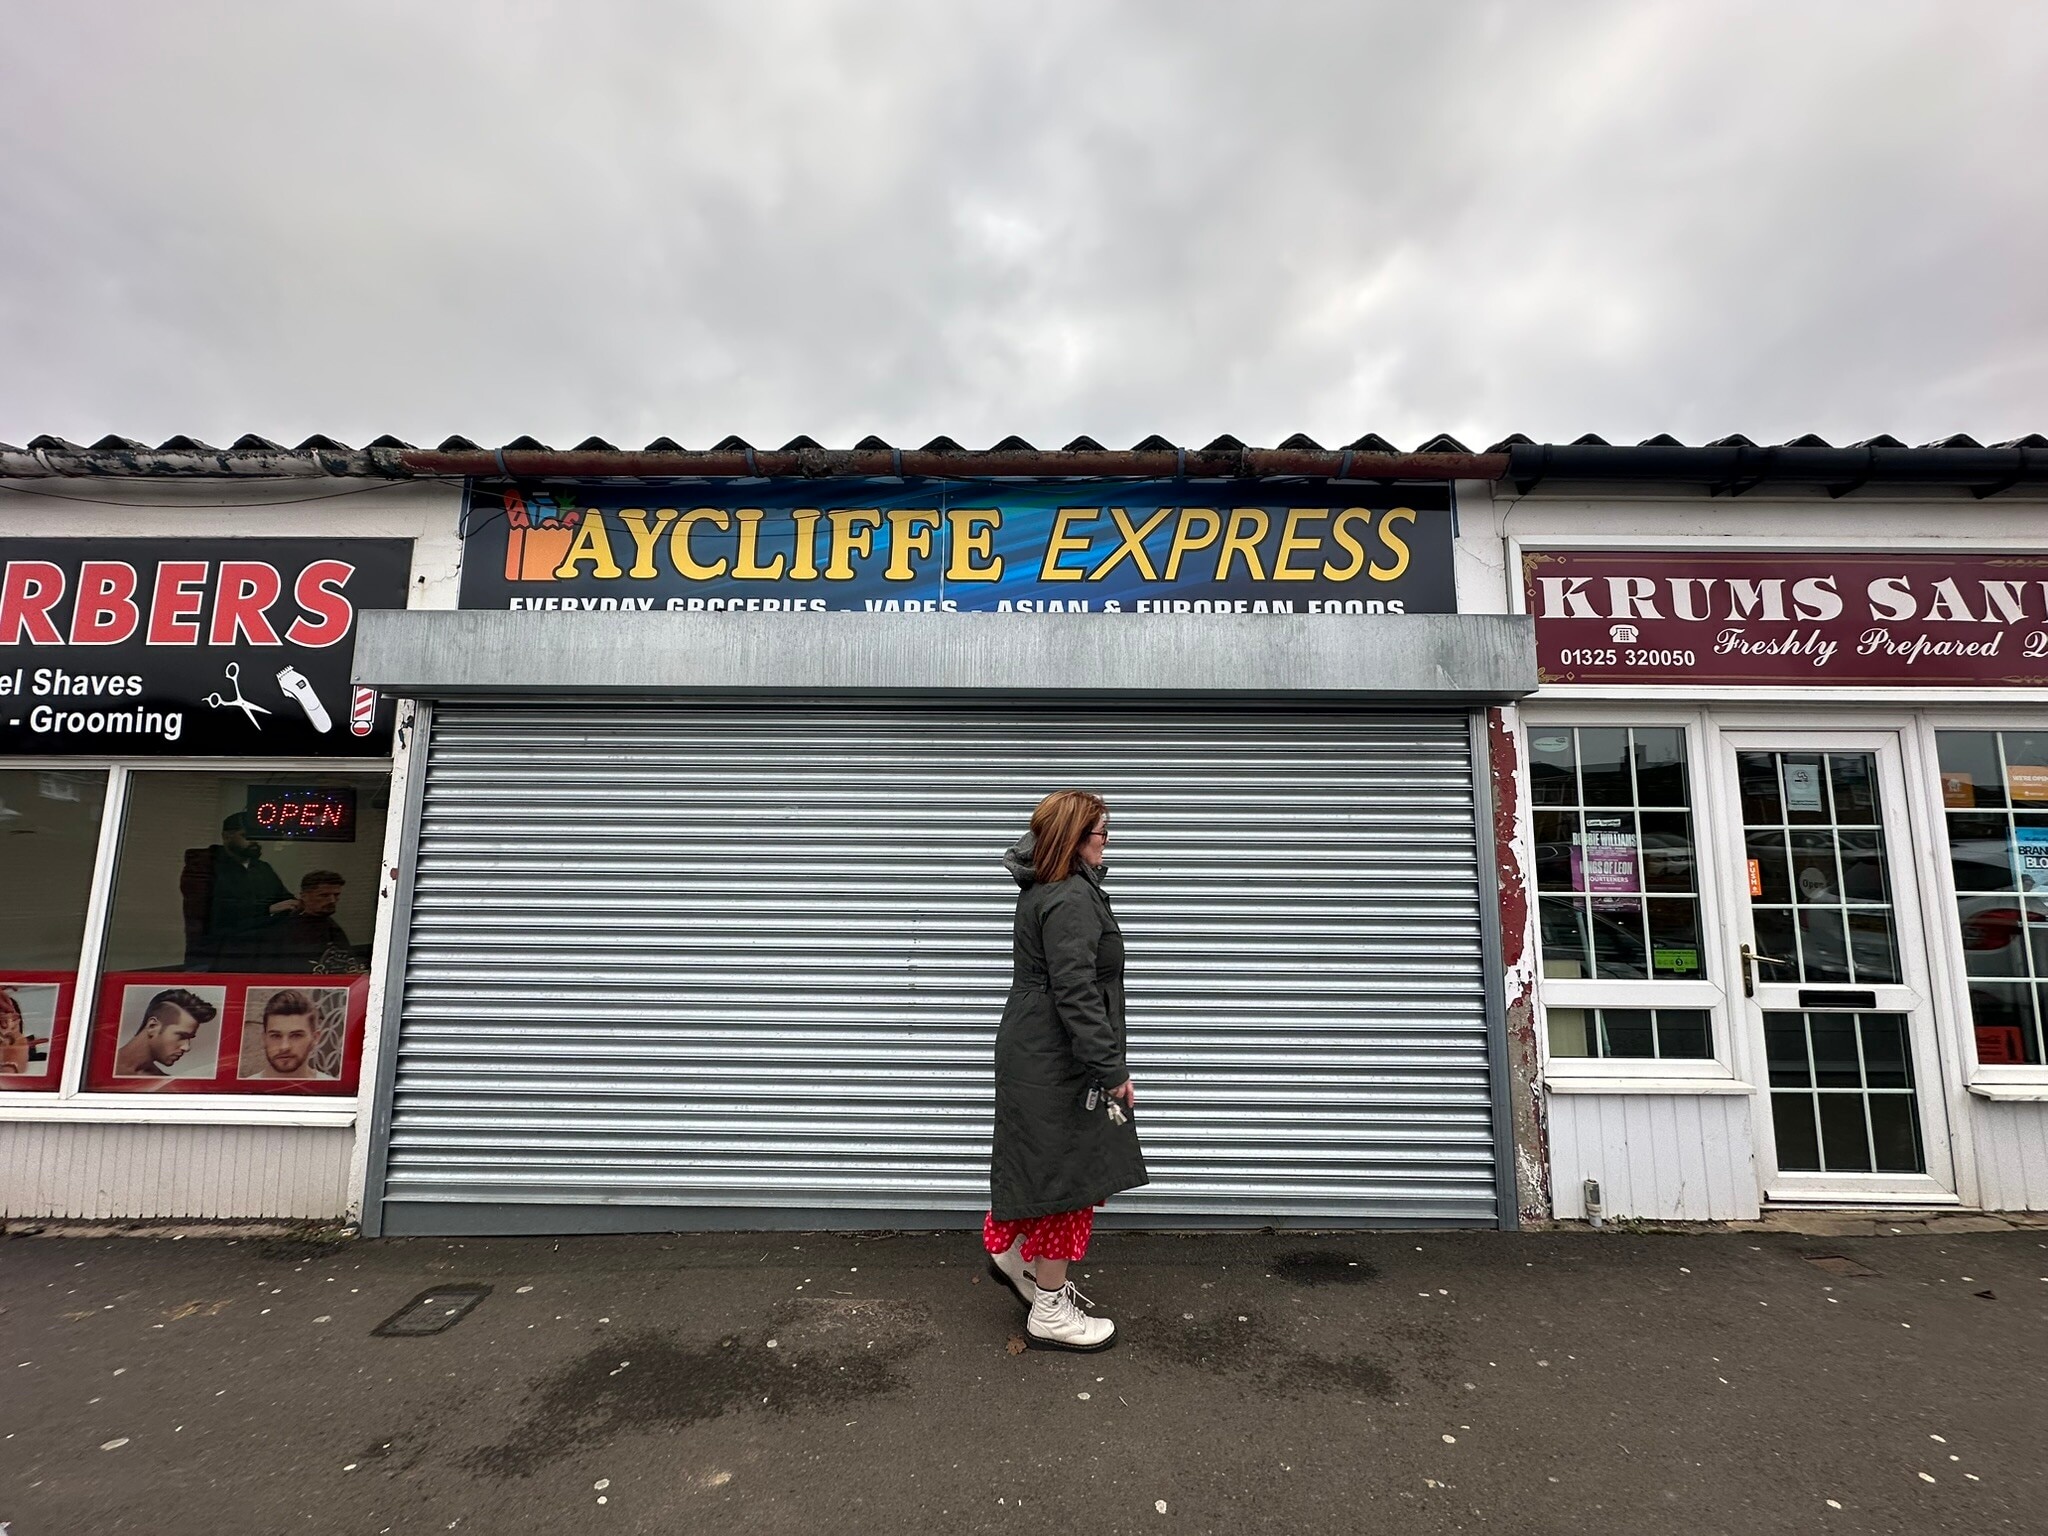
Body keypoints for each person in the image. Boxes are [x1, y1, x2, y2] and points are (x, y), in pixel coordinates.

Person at [983, 790, 1148, 1352]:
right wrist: (1110, 1068)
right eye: (1102, 834)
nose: (1108, 843)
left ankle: (1012, 1257)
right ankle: (1050, 1309)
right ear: (1075, 839)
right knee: (1067, 1180)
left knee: (1049, 1168)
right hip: (1056, 1057)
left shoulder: (1044, 891)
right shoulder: (1071, 897)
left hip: (1040, 1049)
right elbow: (1076, 990)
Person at [181, 813, 295, 969]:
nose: (255, 841)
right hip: (214, 955)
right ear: (226, 836)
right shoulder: (205, 866)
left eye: (258, 835)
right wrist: (267, 909)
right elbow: (212, 910)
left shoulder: (262, 869)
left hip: (258, 955)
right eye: (246, 835)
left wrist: (296, 904)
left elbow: (284, 898)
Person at [222, 870, 363, 973]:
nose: (332, 900)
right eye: (324, 895)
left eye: (336, 895)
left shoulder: (333, 928)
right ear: (304, 896)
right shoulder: (281, 927)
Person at [114, 988, 216, 1078]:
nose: (186, 1047)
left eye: (189, 1038)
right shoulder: (101, 1065)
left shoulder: (165, 1085)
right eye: (181, 1036)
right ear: (152, 1026)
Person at [247, 989, 332, 1079]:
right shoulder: (243, 1088)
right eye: (276, 1036)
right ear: (264, 1038)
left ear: (315, 1038)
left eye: (296, 1035)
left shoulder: (332, 1087)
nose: (284, 1047)